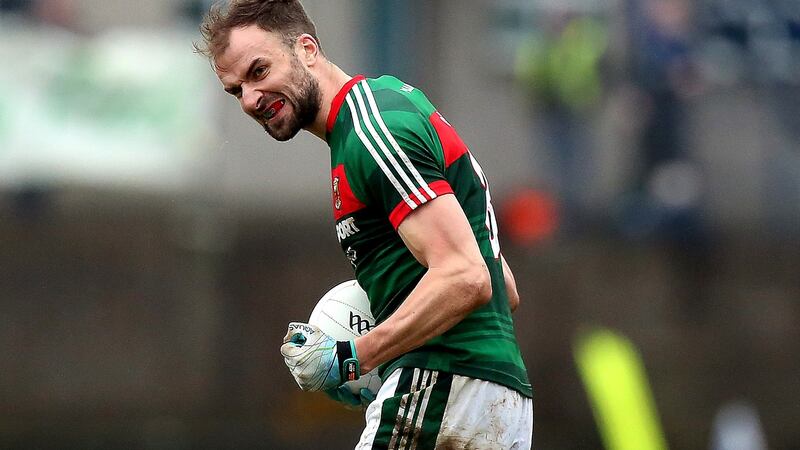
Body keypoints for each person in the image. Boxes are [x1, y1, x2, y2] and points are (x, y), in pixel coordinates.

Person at [196, 1, 533, 448]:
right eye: (236, 90)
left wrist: (353, 357)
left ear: (307, 49)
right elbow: (500, 282)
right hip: (492, 395)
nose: (251, 99)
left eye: (259, 71)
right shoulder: (380, 113)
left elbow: (467, 277)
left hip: (440, 387)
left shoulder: (372, 131)